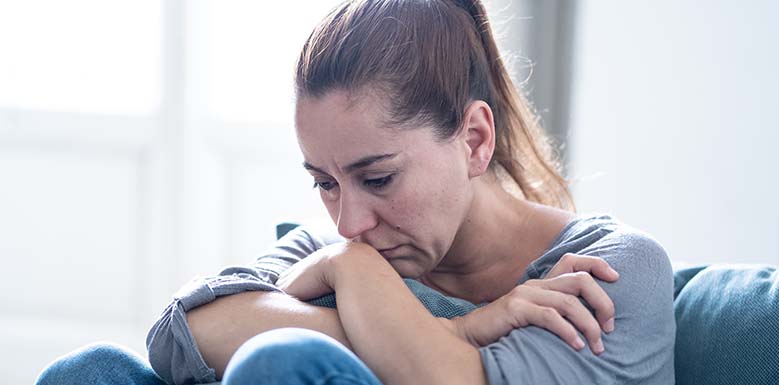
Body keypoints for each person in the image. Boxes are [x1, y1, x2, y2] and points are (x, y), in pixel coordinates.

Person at [35, 0, 675, 384]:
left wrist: (357, 290)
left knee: (279, 363)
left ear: (475, 139)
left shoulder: (610, 270)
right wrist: (449, 317)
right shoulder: (345, 251)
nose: (349, 223)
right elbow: (183, 331)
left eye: (378, 178)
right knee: (90, 373)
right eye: (324, 183)